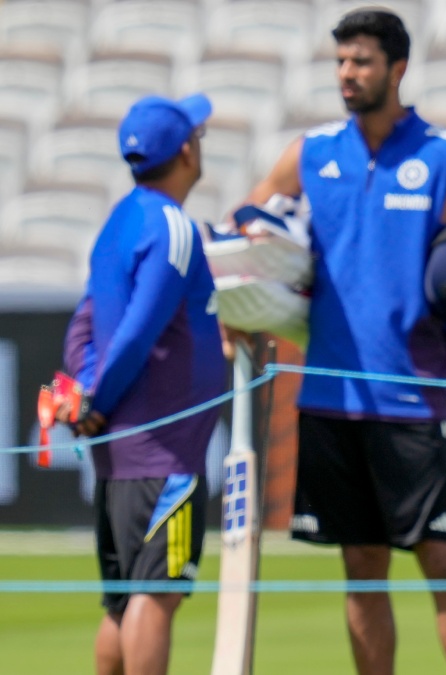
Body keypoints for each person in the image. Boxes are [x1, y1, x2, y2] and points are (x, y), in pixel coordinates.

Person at [246, 8, 446, 675]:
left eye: (362, 61)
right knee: (362, 567)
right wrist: (253, 281)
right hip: (329, 394)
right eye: (341, 61)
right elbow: (246, 222)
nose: (347, 73)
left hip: (411, 395)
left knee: (443, 560)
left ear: (397, 68)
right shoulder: (310, 152)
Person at [61, 93, 225, 675]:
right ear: (187, 151)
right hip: (163, 452)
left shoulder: (118, 221)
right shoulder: (171, 225)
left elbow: (83, 326)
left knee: (123, 602)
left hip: (120, 453)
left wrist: (88, 398)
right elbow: (135, 332)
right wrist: (97, 402)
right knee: (155, 598)